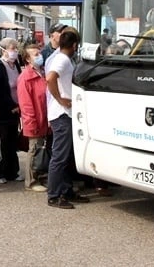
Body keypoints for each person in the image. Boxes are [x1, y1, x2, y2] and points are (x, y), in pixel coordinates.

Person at [45, 29, 90, 209]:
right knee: (60, 157)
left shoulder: (65, 59)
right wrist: (60, 99)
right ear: (74, 45)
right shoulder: (62, 60)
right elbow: (50, 78)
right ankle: (54, 195)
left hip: (66, 114)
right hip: (61, 114)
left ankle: (66, 190)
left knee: (66, 156)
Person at [0, 37, 22, 184]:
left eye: (15, 48)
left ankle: (12, 172)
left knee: (11, 142)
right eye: (11, 48)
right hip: (2, 110)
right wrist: (11, 105)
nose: (14, 51)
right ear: (3, 50)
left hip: (16, 110)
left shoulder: (16, 65)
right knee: (0, 142)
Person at [17, 43, 48, 192]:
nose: (39, 56)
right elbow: (26, 104)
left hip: (45, 118)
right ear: (27, 59)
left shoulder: (42, 73)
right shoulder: (25, 77)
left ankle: (41, 176)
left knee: (42, 148)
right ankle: (31, 180)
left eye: (39, 53)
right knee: (34, 149)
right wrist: (31, 122)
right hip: (34, 119)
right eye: (35, 54)